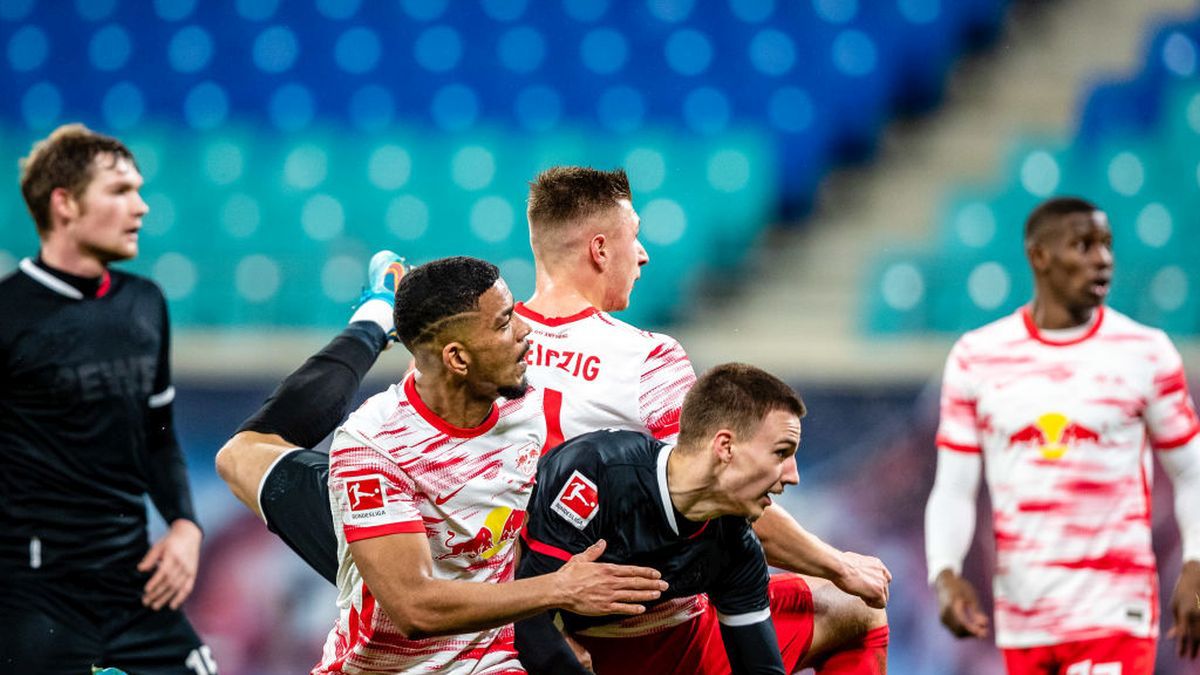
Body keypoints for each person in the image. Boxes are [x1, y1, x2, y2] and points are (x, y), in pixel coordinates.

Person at [215, 166, 891, 671]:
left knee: (244, 454)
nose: (644, 254)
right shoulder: (646, 359)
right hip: (584, 613)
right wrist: (837, 563)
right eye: (634, 238)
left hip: (461, 558)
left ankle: (369, 319)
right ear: (599, 248)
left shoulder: (475, 350)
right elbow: (721, 490)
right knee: (858, 611)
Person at [238, 255, 668, 673]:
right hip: (389, 635)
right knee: (241, 454)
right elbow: (414, 608)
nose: (526, 331)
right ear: (458, 359)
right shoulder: (374, 446)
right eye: (504, 322)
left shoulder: (527, 406)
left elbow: (515, 532)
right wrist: (558, 590)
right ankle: (373, 320)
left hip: (489, 656)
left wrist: (549, 636)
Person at [924, 196, 1200, 674]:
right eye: (1083, 245)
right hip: (1023, 621)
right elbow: (954, 487)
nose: (1103, 259)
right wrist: (944, 572)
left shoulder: (1146, 353)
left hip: (1115, 615)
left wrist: (1196, 565)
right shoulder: (978, 357)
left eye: (1108, 245)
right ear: (1039, 256)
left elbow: (1192, 473)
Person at [0, 124, 213, 673]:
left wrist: (185, 524)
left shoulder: (145, 303)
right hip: (33, 593)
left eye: (139, 190)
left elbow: (158, 433)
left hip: (134, 582)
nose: (140, 207)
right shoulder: (8, 313)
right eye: (120, 191)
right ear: (64, 203)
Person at [515, 363, 808, 674]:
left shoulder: (737, 546)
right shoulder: (596, 472)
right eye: (781, 453)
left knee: (851, 610)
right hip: (499, 643)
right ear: (725, 447)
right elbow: (524, 618)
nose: (793, 476)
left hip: (653, 648)